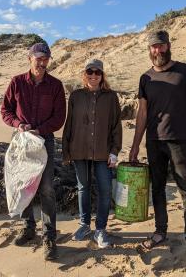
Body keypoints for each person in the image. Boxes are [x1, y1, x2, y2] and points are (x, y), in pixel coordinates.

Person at [129, 30, 186, 267]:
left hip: (180, 140)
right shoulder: (145, 78)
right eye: (154, 47)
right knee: (157, 189)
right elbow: (142, 112)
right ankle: (160, 231)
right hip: (154, 142)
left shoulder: (185, 72)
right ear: (149, 50)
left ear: (168, 46)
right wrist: (135, 145)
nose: (158, 51)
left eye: (161, 46)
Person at [1, 42, 66, 260]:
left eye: (45, 58)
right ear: (29, 58)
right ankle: (28, 228)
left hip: (44, 140)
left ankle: (49, 236)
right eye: (38, 58)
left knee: (46, 188)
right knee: (23, 184)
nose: (42, 62)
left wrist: (41, 129)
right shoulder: (17, 82)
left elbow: (59, 118)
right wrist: (18, 123)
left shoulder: (56, 85)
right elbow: (5, 110)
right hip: (21, 140)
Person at [62, 59, 122, 249]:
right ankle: (84, 225)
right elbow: (69, 124)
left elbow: (116, 126)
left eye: (98, 72)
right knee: (83, 188)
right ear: (84, 74)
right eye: (90, 72)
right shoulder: (76, 96)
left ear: (102, 75)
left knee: (105, 191)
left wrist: (114, 152)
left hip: (103, 153)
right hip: (79, 150)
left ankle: (101, 229)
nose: (94, 75)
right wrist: (66, 151)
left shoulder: (111, 97)